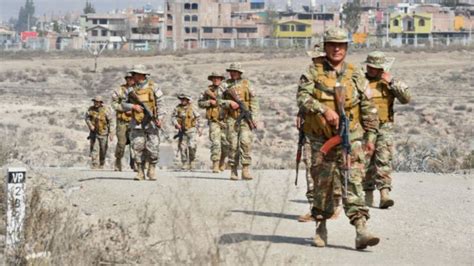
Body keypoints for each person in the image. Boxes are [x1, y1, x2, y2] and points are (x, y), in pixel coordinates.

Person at [296, 27, 380, 249]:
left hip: (350, 137)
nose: (336, 49)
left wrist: (370, 136)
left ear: (346, 48)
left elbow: (368, 106)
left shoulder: (355, 74)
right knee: (322, 184)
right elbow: (302, 98)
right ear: (325, 47)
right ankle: (321, 227)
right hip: (320, 139)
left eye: (341, 45)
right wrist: (323, 109)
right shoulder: (313, 72)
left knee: (352, 181)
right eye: (332, 45)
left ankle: (361, 229)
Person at [362, 51, 411, 209]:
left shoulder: (389, 83)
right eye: (369, 66)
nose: (371, 69)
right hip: (365, 127)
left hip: (385, 126)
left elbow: (406, 98)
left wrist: (393, 82)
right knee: (366, 160)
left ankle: (384, 194)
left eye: (375, 67)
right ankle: (367, 195)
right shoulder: (360, 81)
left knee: (383, 159)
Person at [298, 44, 327, 223]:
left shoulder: (339, 75)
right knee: (311, 167)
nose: (317, 61)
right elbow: (302, 99)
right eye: (315, 58)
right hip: (312, 127)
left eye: (320, 58)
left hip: (332, 130)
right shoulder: (309, 75)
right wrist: (301, 113)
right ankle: (314, 208)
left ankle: (333, 205)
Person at [122, 64, 164, 181]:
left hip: (151, 122)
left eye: (135, 74)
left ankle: (151, 169)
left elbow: (161, 104)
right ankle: (140, 171)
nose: (133, 76)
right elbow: (123, 104)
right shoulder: (130, 89)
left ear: (141, 75)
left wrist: (160, 119)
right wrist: (133, 106)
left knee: (153, 147)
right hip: (137, 123)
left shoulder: (154, 87)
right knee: (137, 147)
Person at [221, 63, 259, 181]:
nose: (233, 73)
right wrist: (229, 103)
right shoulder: (225, 85)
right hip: (231, 118)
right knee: (233, 145)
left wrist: (254, 117)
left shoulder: (247, 84)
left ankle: (245, 169)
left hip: (245, 118)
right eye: (232, 71)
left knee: (245, 142)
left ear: (240, 72)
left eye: (236, 71)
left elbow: (254, 101)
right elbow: (217, 100)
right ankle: (233, 170)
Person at [198, 72, 229, 173]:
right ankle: (215, 164)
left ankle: (222, 161)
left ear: (221, 79)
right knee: (216, 142)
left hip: (226, 120)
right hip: (214, 120)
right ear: (211, 79)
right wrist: (209, 102)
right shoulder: (207, 91)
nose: (216, 80)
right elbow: (200, 103)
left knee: (226, 144)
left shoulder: (227, 90)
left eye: (218, 78)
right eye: (214, 78)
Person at [111, 73, 135, 171]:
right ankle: (118, 160)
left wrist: (134, 110)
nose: (131, 80)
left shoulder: (139, 90)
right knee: (121, 143)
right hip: (122, 120)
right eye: (128, 78)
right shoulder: (119, 90)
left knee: (135, 143)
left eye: (132, 78)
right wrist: (124, 109)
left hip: (135, 120)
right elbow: (114, 104)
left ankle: (135, 164)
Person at [172, 93, 201, 170]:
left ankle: (192, 161)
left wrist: (199, 128)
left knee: (192, 146)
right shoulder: (177, 108)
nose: (182, 101)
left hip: (192, 129)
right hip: (182, 131)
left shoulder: (192, 108)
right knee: (182, 147)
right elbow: (173, 117)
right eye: (181, 99)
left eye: (184, 99)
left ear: (187, 100)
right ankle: (184, 163)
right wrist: (176, 124)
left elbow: (198, 118)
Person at [84, 96, 115, 169]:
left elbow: (111, 121)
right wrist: (90, 125)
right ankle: (94, 164)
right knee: (94, 148)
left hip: (103, 132)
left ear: (101, 103)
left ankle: (102, 163)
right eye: (95, 101)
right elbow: (87, 118)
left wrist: (111, 132)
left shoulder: (105, 110)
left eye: (98, 102)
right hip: (94, 132)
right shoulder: (90, 109)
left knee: (103, 149)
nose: (96, 103)